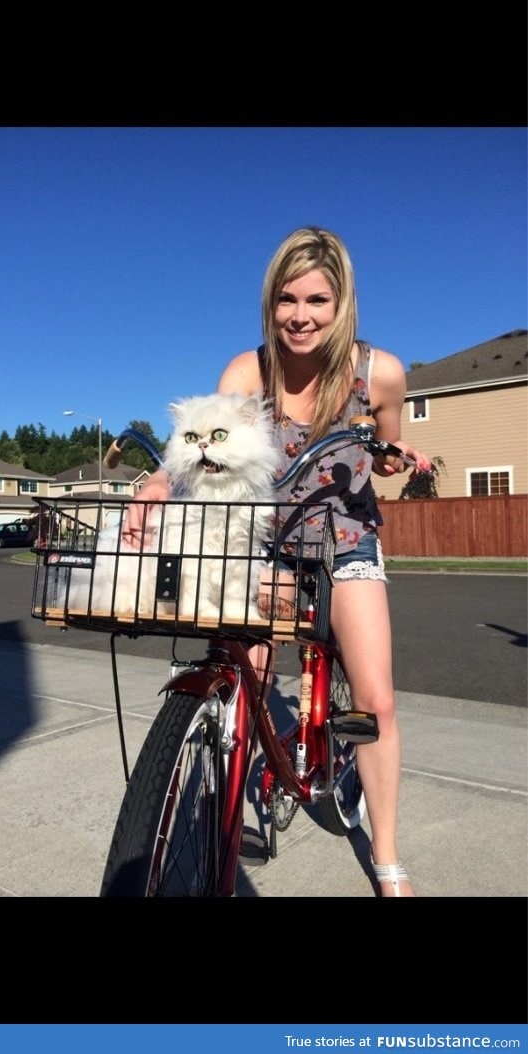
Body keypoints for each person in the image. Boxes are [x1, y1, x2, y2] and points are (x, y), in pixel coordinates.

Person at [125, 226, 431, 897]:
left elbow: (384, 446)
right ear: (271, 301)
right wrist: (157, 482)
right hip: (260, 534)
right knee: (242, 675)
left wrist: (390, 458)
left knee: (373, 697)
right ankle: (228, 799)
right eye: (287, 299)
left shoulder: (379, 371)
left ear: (340, 301)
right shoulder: (246, 372)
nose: (300, 315)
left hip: (344, 535)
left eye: (317, 300)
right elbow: (204, 450)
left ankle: (385, 857)